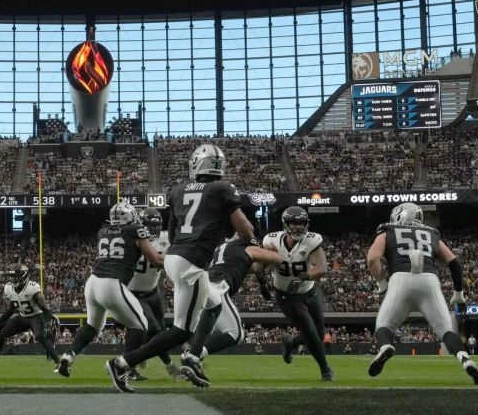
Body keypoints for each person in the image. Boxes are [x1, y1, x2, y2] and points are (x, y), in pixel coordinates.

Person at [106, 144, 257, 393]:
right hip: (192, 263)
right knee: (181, 331)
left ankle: (193, 357)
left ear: (196, 164)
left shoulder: (177, 190)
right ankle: (122, 363)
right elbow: (245, 232)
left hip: (176, 257)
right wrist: (239, 232)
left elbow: (173, 232)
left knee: (214, 304)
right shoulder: (223, 188)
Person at [365, 202, 478, 385]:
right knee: (446, 331)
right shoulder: (431, 233)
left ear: (398, 215)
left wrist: (382, 284)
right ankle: (465, 359)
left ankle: (386, 346)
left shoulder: (387, 231)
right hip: (429, 280)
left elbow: (372, 259)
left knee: (384, 326)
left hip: (400, 279)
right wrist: (458, 292)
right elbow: (454, 263)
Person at [56, 201, 164, 379]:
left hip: (92, 282)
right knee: (141, 325)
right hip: (111, 283)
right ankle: (125, 368)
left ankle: (68, 356)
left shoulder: (103, 231)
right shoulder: (136, 230)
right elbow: (154, 260)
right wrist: (174, 264)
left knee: (93, 326)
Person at [179, 234, 281, 387]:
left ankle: (192, 358)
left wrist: (262, 281)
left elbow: (250, 267)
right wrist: (274, 248)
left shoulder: (222, 249)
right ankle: (193, 357)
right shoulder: (246, 247)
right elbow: (276, 259)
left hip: (205, 285)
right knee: (236, 334)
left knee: (211, 329)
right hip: (218, 287)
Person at [265, 206, 334, 381]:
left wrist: (302, 277)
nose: (298, 226)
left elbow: (322, 268)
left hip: (310, 291)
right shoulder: (272, 241)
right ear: (285, 224)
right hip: (287, 295)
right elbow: (259, 263)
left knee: (319, 335)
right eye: (293, 223)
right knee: (309, 331)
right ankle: (325, 369)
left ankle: (292, 343)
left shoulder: (311, 241)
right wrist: (260, 280)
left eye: (301, 223)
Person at [126, 207, 178, 379]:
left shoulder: (166, 238)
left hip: (153, 292)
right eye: (149, 225)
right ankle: (168, 366)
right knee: (154, 329)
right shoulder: (133, 238)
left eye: (156, 225)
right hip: (134, 293)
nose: (153, 229)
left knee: (161, 331)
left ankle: (141, 355)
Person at [0, 266, 60, 373]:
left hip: (36, 316)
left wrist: (48, 322)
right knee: (1, 335)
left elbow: (45, 309)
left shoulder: (32, 288)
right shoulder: (9, 288)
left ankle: (59, 363)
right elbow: (11, 310)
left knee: (40, 336)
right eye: (12, 276)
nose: (13, 279)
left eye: (16, 276)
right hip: (23, 316)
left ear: (23, 276)